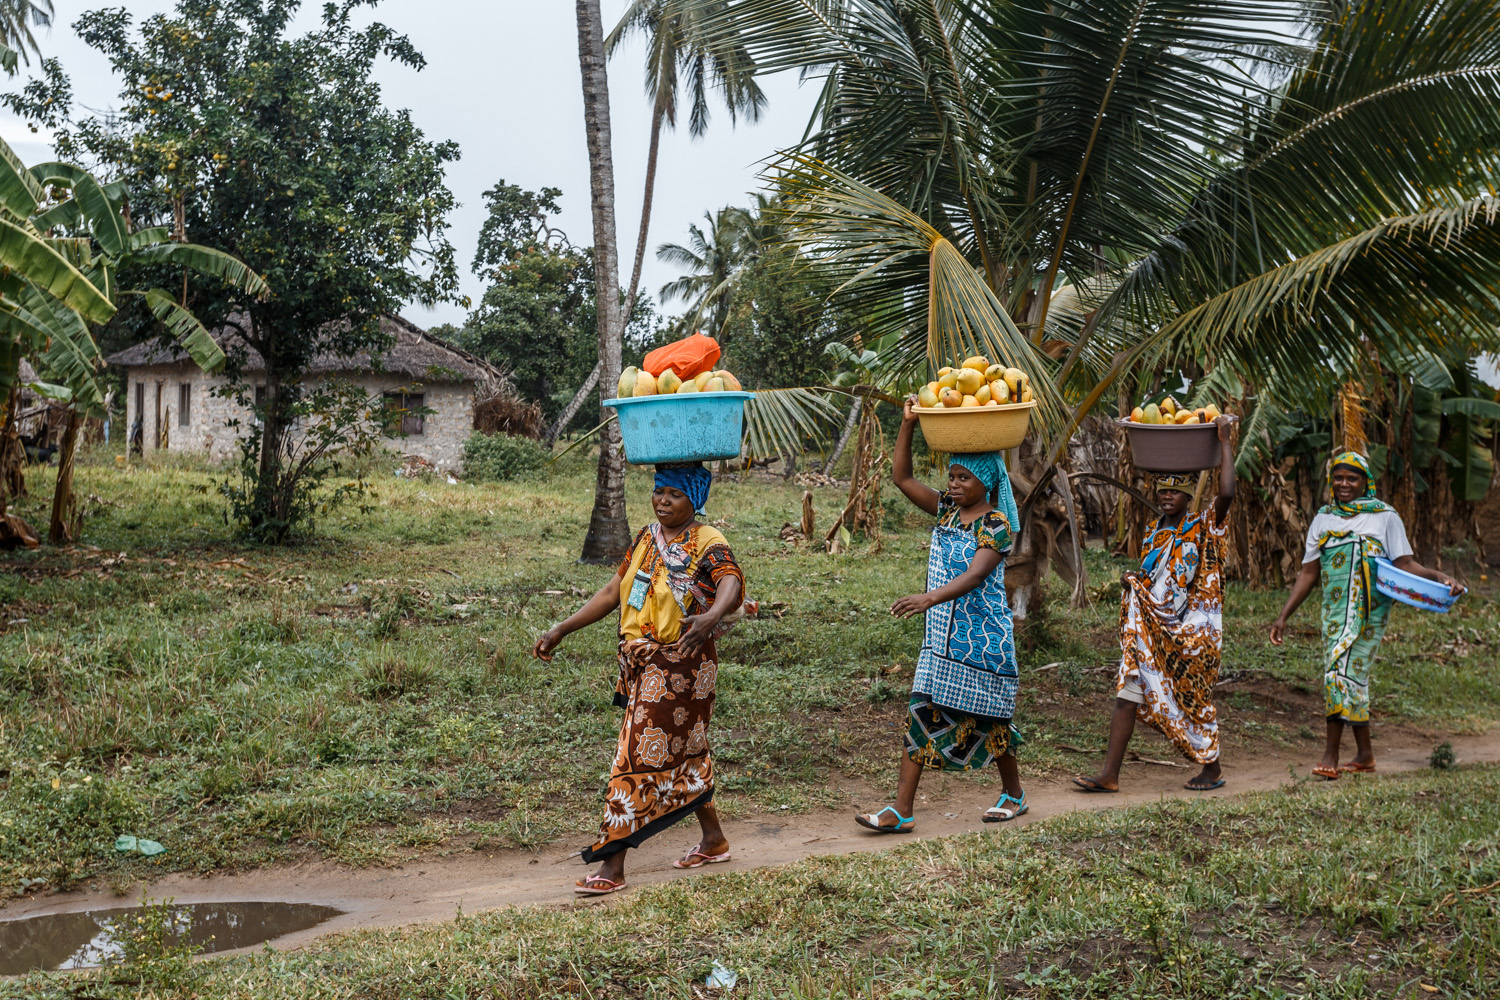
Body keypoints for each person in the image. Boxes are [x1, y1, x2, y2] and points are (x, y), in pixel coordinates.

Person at [533, 463, 744, 894]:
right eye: (658, 491)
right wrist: (561, 629)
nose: (663, 501)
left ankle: (612, 865)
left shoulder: (707, 541)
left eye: (675, 495)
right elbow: (614, 591)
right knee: (688, 752)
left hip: (682, 661)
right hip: (645, 663)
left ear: (695, 500)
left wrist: (711, 616)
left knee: (633, 756)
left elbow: (731, 582)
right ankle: (714, 839)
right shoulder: (647, 538)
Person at [855, 396, 1026, 833]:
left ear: (985, 482)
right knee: (922, 712)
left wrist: (929, 598)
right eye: (950, 476)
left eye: (963, 478)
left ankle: (1014, 794)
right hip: (941, 640)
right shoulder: (948, 512)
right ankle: (902, 810)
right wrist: (908, 424)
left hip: (981, 639)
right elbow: (902, 477)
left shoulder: (997, 525)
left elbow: (975, 575)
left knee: (992, 719)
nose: (953, 484)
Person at [1270, 452, 1460, 779]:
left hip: (1371, 612)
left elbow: (1405, 564)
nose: (1344, 484)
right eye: (1339, 478)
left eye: (1352, 478)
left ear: (1365, 481)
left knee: (1338, 673)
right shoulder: (1323, 519)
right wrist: (1283, 615)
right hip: (1334, 612)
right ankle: (1365, 755)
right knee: (1351, 677)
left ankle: (1330, 754)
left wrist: (1440, 576)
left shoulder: (1385, 517)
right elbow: (1308, 573)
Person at [1076, 414, 1237, 794]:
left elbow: (1227, 493)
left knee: (1191, 696)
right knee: (1127, 691)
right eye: (1162, 491)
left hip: (1192, 631)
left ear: (1187, 495)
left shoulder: (1205, 526)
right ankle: (1110, 775)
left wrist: (1225, 441)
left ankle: (1211, 767)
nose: (1167, 497)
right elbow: (1157, 579)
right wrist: (1134, 583)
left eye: (1175, 491)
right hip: (1151, 628)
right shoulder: (1154, 531)